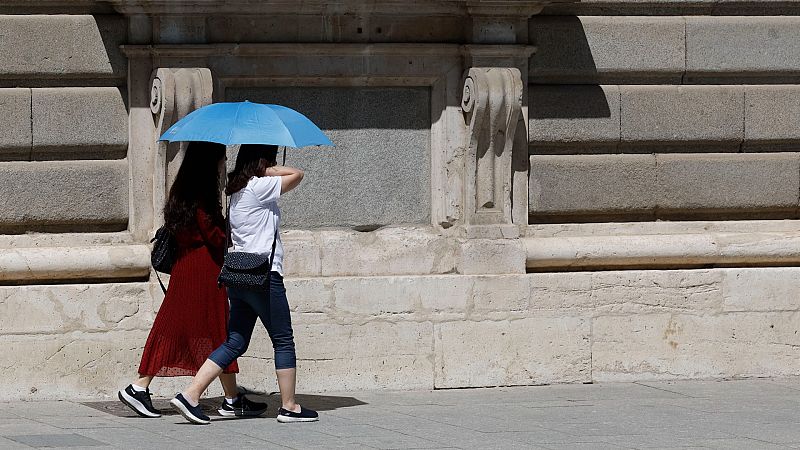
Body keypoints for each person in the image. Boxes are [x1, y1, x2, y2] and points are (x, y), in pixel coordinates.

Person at [170, 143, 318, 425]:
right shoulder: (258, 187)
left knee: (235, 341)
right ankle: (289, 406)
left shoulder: (236, 191)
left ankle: (190, 395)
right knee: (283, 339)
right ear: (264, 160)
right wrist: (267, 169)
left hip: (239, 278)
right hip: (264, 276)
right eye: (271, 158)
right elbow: (298, 174)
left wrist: (261, 168)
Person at [118, 141, 266, 419]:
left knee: (206, 330)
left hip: (187, 266)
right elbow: (214, 235)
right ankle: (139, 386)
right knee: (216, 329)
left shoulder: (182, 189)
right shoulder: (203, 193)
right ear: (210, 160)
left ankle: (231, 397)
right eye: (221, 158)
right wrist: (232, 225)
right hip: (203, 269)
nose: (223, 164)